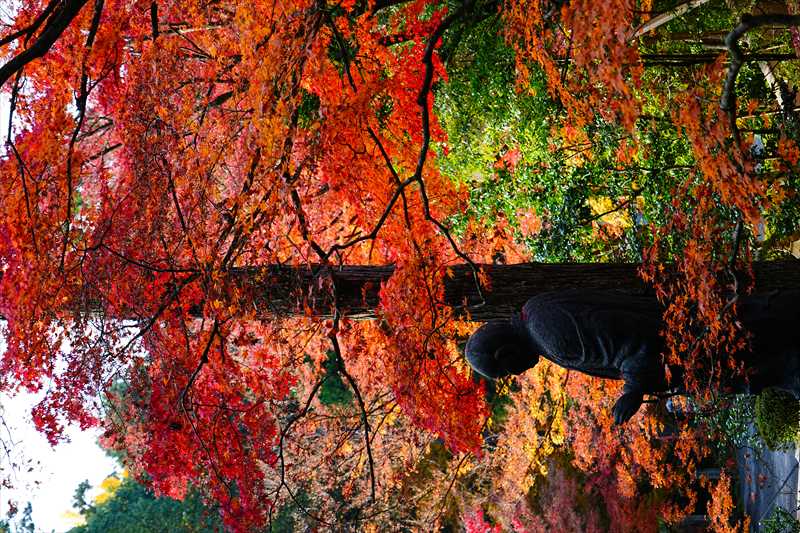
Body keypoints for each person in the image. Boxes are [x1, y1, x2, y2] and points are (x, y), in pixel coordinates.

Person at [465, 290, 800, 424]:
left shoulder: (550, 336)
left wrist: (632, 392)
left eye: (507, 371)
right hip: (693, 334)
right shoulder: (535, 311)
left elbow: (635, 341)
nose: (516, 374)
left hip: (695, 348)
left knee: (774, 352)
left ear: (505, 353)